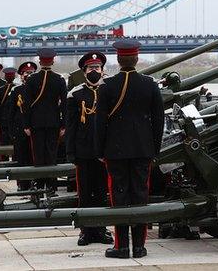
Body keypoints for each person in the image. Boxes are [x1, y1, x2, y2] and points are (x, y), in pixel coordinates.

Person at [95, 40, 164, 259]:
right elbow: (158, 121)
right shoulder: (150, 85)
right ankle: (140, 247)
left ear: (118, 59)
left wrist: (100, 150)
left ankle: (122, 246)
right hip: (143, 149)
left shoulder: (107, 86)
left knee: (119, 196)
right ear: (136, 59)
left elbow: (99, 122)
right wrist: (154, 148)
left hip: (115, 150)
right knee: (140, 195)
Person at [66, 51, 113, 246]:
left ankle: (101, 230)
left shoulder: (109, 91)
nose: (94, 71)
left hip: (103, 152)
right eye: (91, 68)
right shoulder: (75, 94)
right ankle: (86, 231)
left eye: (97, 68)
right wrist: (70, 152)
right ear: (84, 71)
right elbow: (70, 126)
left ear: (102, 71)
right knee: (84, 193)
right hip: (83, 151)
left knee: (102, 193)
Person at [23, 49, 67, 193]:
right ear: (52, 61)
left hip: (36, 123)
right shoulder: (59, 79)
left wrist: (26, 124)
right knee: (51, 155)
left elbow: (26, 104)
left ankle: (40, 185)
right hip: (53, 122)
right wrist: (63, 124)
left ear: (40, 62)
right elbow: (64, 104)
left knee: (38, 155)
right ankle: (51, 186)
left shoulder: (31, 79)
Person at [7, 62, 37, 190]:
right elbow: (11, 113)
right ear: (21, 75)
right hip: (20, 130)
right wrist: (12, 132)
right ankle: (23, 185)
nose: (29, 75)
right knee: (22, 158)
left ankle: (35, 184)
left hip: (35, 129)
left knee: (35, 159)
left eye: (31, 73)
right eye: (26, 73)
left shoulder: (39, 89)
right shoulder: (16, 90)